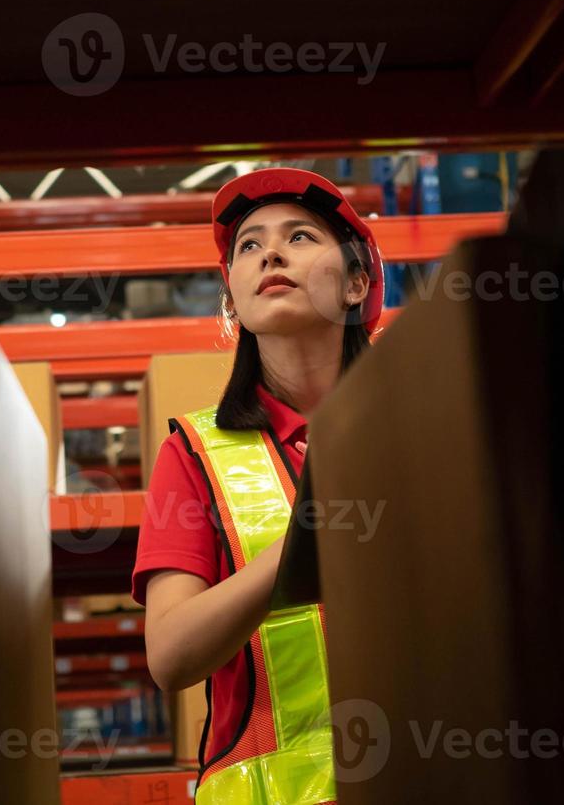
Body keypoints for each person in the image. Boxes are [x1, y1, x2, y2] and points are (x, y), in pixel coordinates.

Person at [131, 168, 384, 805]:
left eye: (300, 237)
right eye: (249, 245)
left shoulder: (421, 429)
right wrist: (296, 553)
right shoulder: (192, 453)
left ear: (356, 283)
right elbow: (170, 655)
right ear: (231, 298)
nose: (270, 252)